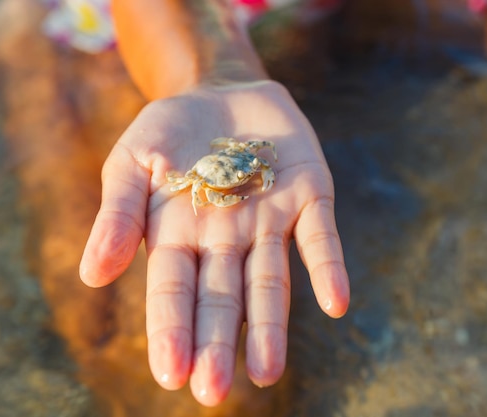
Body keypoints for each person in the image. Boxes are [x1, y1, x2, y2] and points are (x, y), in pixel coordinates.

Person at [71, 0, 351, 407]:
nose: (247, 179)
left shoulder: (245, 155)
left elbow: (255, 155)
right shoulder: (200, 184)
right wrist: (213, 78)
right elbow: (204, 192)